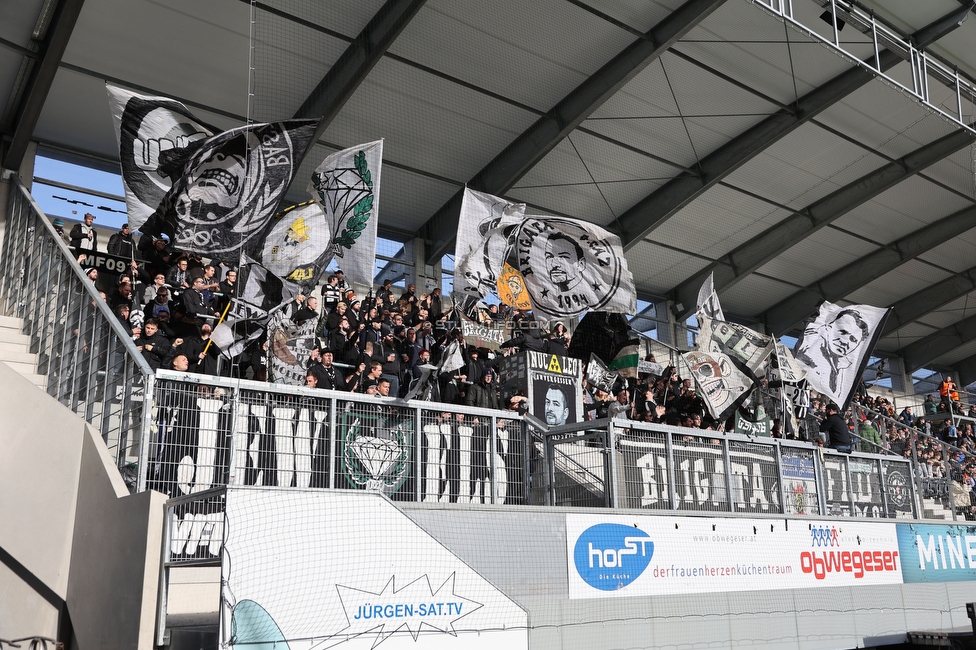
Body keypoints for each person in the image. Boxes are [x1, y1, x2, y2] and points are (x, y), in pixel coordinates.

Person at [796, 308, 869, 397]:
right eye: (843, 332)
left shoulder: (843, 367)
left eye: (853, 340)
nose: (845, 342)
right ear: (828, 327)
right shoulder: (807, 351)